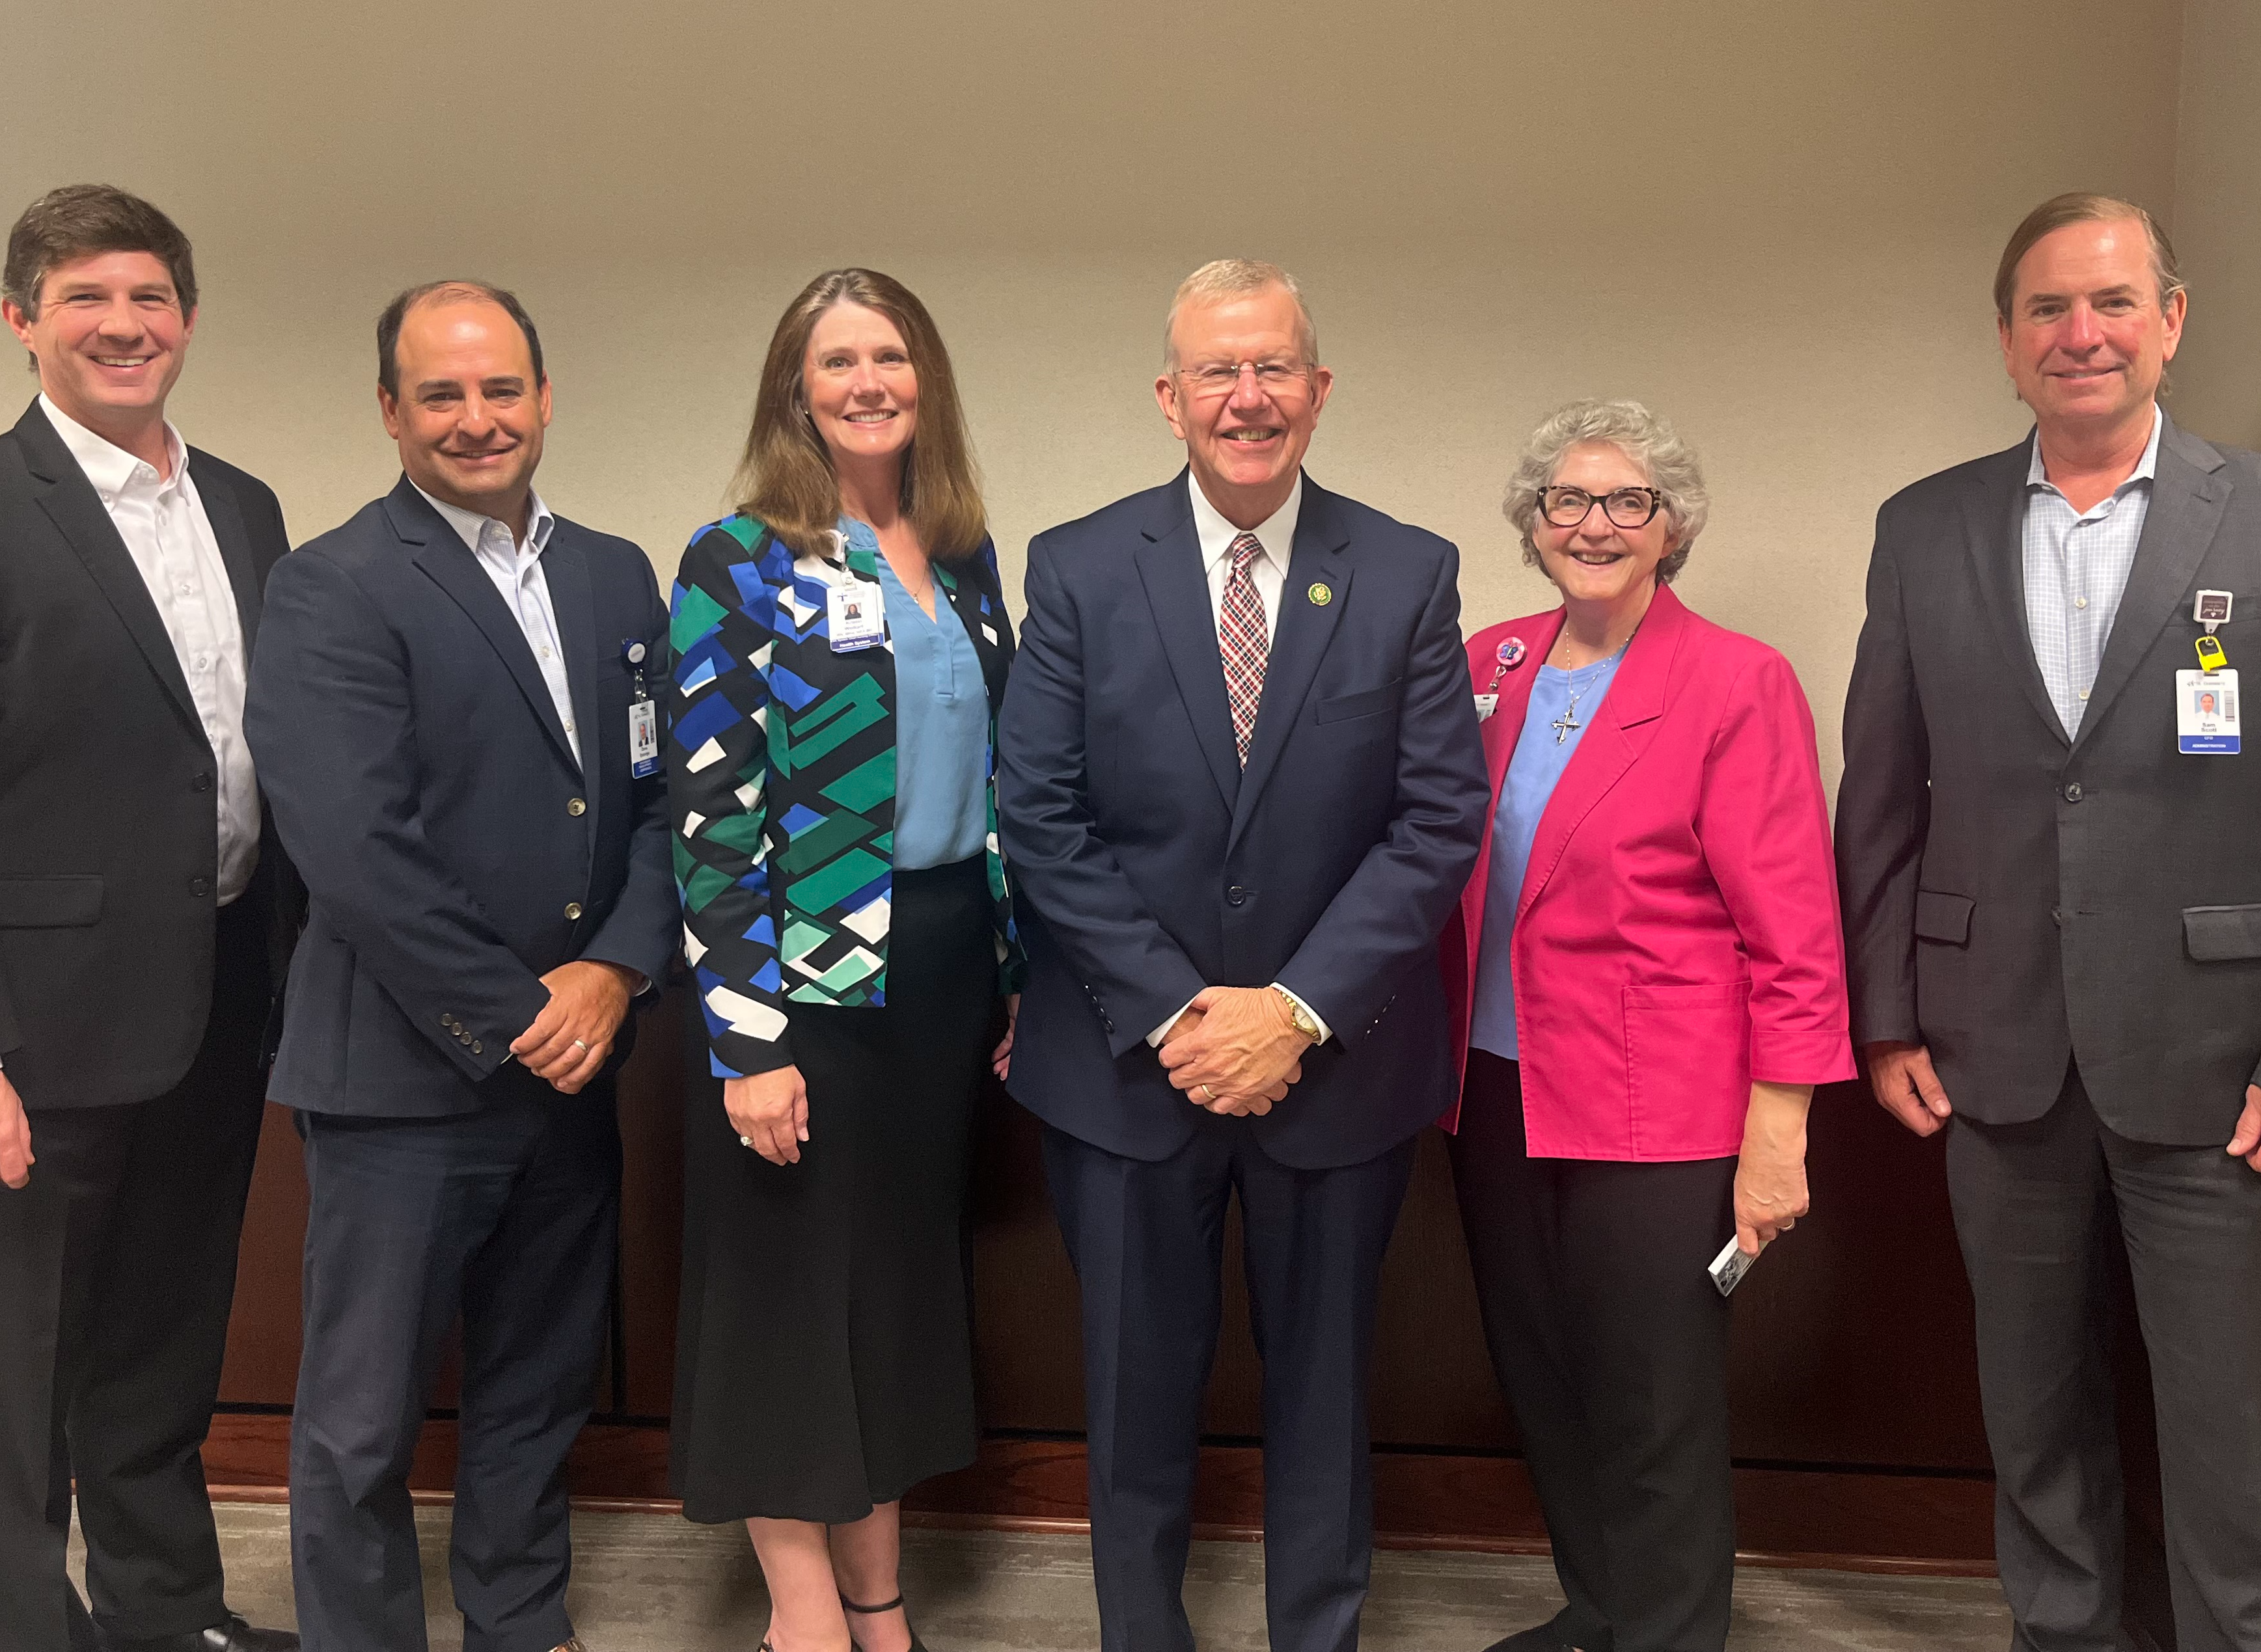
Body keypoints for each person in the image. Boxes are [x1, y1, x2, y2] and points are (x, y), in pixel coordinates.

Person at [1837, 194, 2261, 1652]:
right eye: (2046, 309)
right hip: (1992, 1057)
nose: (2080, 333)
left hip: (2224, 1071)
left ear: (2171, 321)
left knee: (2237, 1454)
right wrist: (1886, 1011)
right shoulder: (1926, 526)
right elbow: (1884, 797)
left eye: (2110, 303)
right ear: (2008, 341)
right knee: (2037, 1438)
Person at [995, 259, 1488, 1652]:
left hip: (1334, 1080)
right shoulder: (1081, 568)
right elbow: (1038, 814)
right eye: (1218, 371)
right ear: (1170, 398)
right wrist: (1176, 1014)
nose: (1248, 397)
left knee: (1325, 1400)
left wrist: (1296, 1011)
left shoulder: (1407, 572)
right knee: (1132, 1399)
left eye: (1274, 368)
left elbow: (1438, 819)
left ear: (1319, 392)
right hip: (1123, 1073)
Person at [0, 184, 299, 1652]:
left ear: (184, 317)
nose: (124, 325)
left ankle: (166, 1614)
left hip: (215, 999)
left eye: (150, 298)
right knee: (21, 1375)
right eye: (86, 298)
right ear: (21, 320)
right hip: (29, 1039)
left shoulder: (240, 503)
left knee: (166, 1350)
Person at [244, 282, 675, 1652]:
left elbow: (668, 801)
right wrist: (517, 1012)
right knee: (362, 1427)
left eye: (502, 390)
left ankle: (520, 1623)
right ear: (392, 412)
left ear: (546, 399)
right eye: (442, 393)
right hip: (402, 1082)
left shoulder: (616, 575)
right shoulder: (330, 585)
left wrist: (611, 973)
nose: (476, 419)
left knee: (536, 1389)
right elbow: (352, 847)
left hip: (576, 1069)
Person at [1444, 401, 1852, 1652]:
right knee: (1545, 1380)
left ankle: (1669, 1630)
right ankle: (1605, 1611)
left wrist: (1776, 1135)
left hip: (1660, 1109)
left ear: (1672, 527)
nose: (1596, 524)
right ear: (1533, 525)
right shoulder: (1489, 665)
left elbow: (1795, 928)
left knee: (1651, 1402)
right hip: (1496, 1092)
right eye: (1568, 500)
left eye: (1630, 502)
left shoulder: (1736, 681)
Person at [662, 269, 1020, 1652]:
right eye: (837, 361)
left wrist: (1006, 971)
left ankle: (882, 1596)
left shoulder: (965, 555)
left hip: (934, 975)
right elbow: (708, 817)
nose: (868, 382)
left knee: (888, 1293)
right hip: (799, 984)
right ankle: (802, 1610)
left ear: (926, 381)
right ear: (794, 391)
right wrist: (748, 1042)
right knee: (789, 1302)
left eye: (892, 357)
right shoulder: (738, 560)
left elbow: (992, 787)